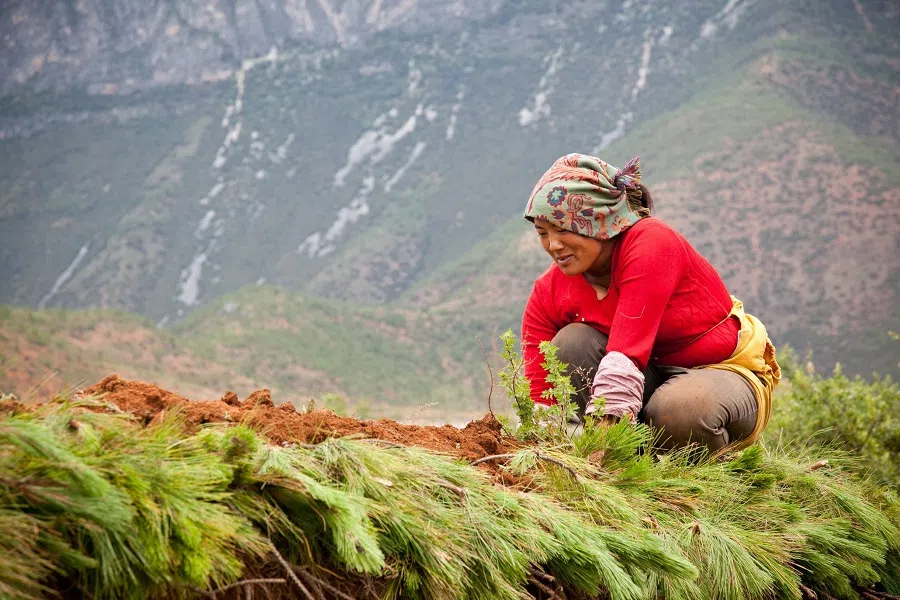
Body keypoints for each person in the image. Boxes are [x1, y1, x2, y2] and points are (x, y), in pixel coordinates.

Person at [521, 153, 780, 452]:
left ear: (597, 221)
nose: (553, 245)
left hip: (719, 373)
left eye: (563, 229)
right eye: (543, 233)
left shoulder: (651, 243)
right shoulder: (550, 289)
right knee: (570, 343)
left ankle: (712, 468)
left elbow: (626, 352)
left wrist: (602, 450)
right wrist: (539, 447)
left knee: (680, 410)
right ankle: (635, 463)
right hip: (648, 379)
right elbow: (540, 386)